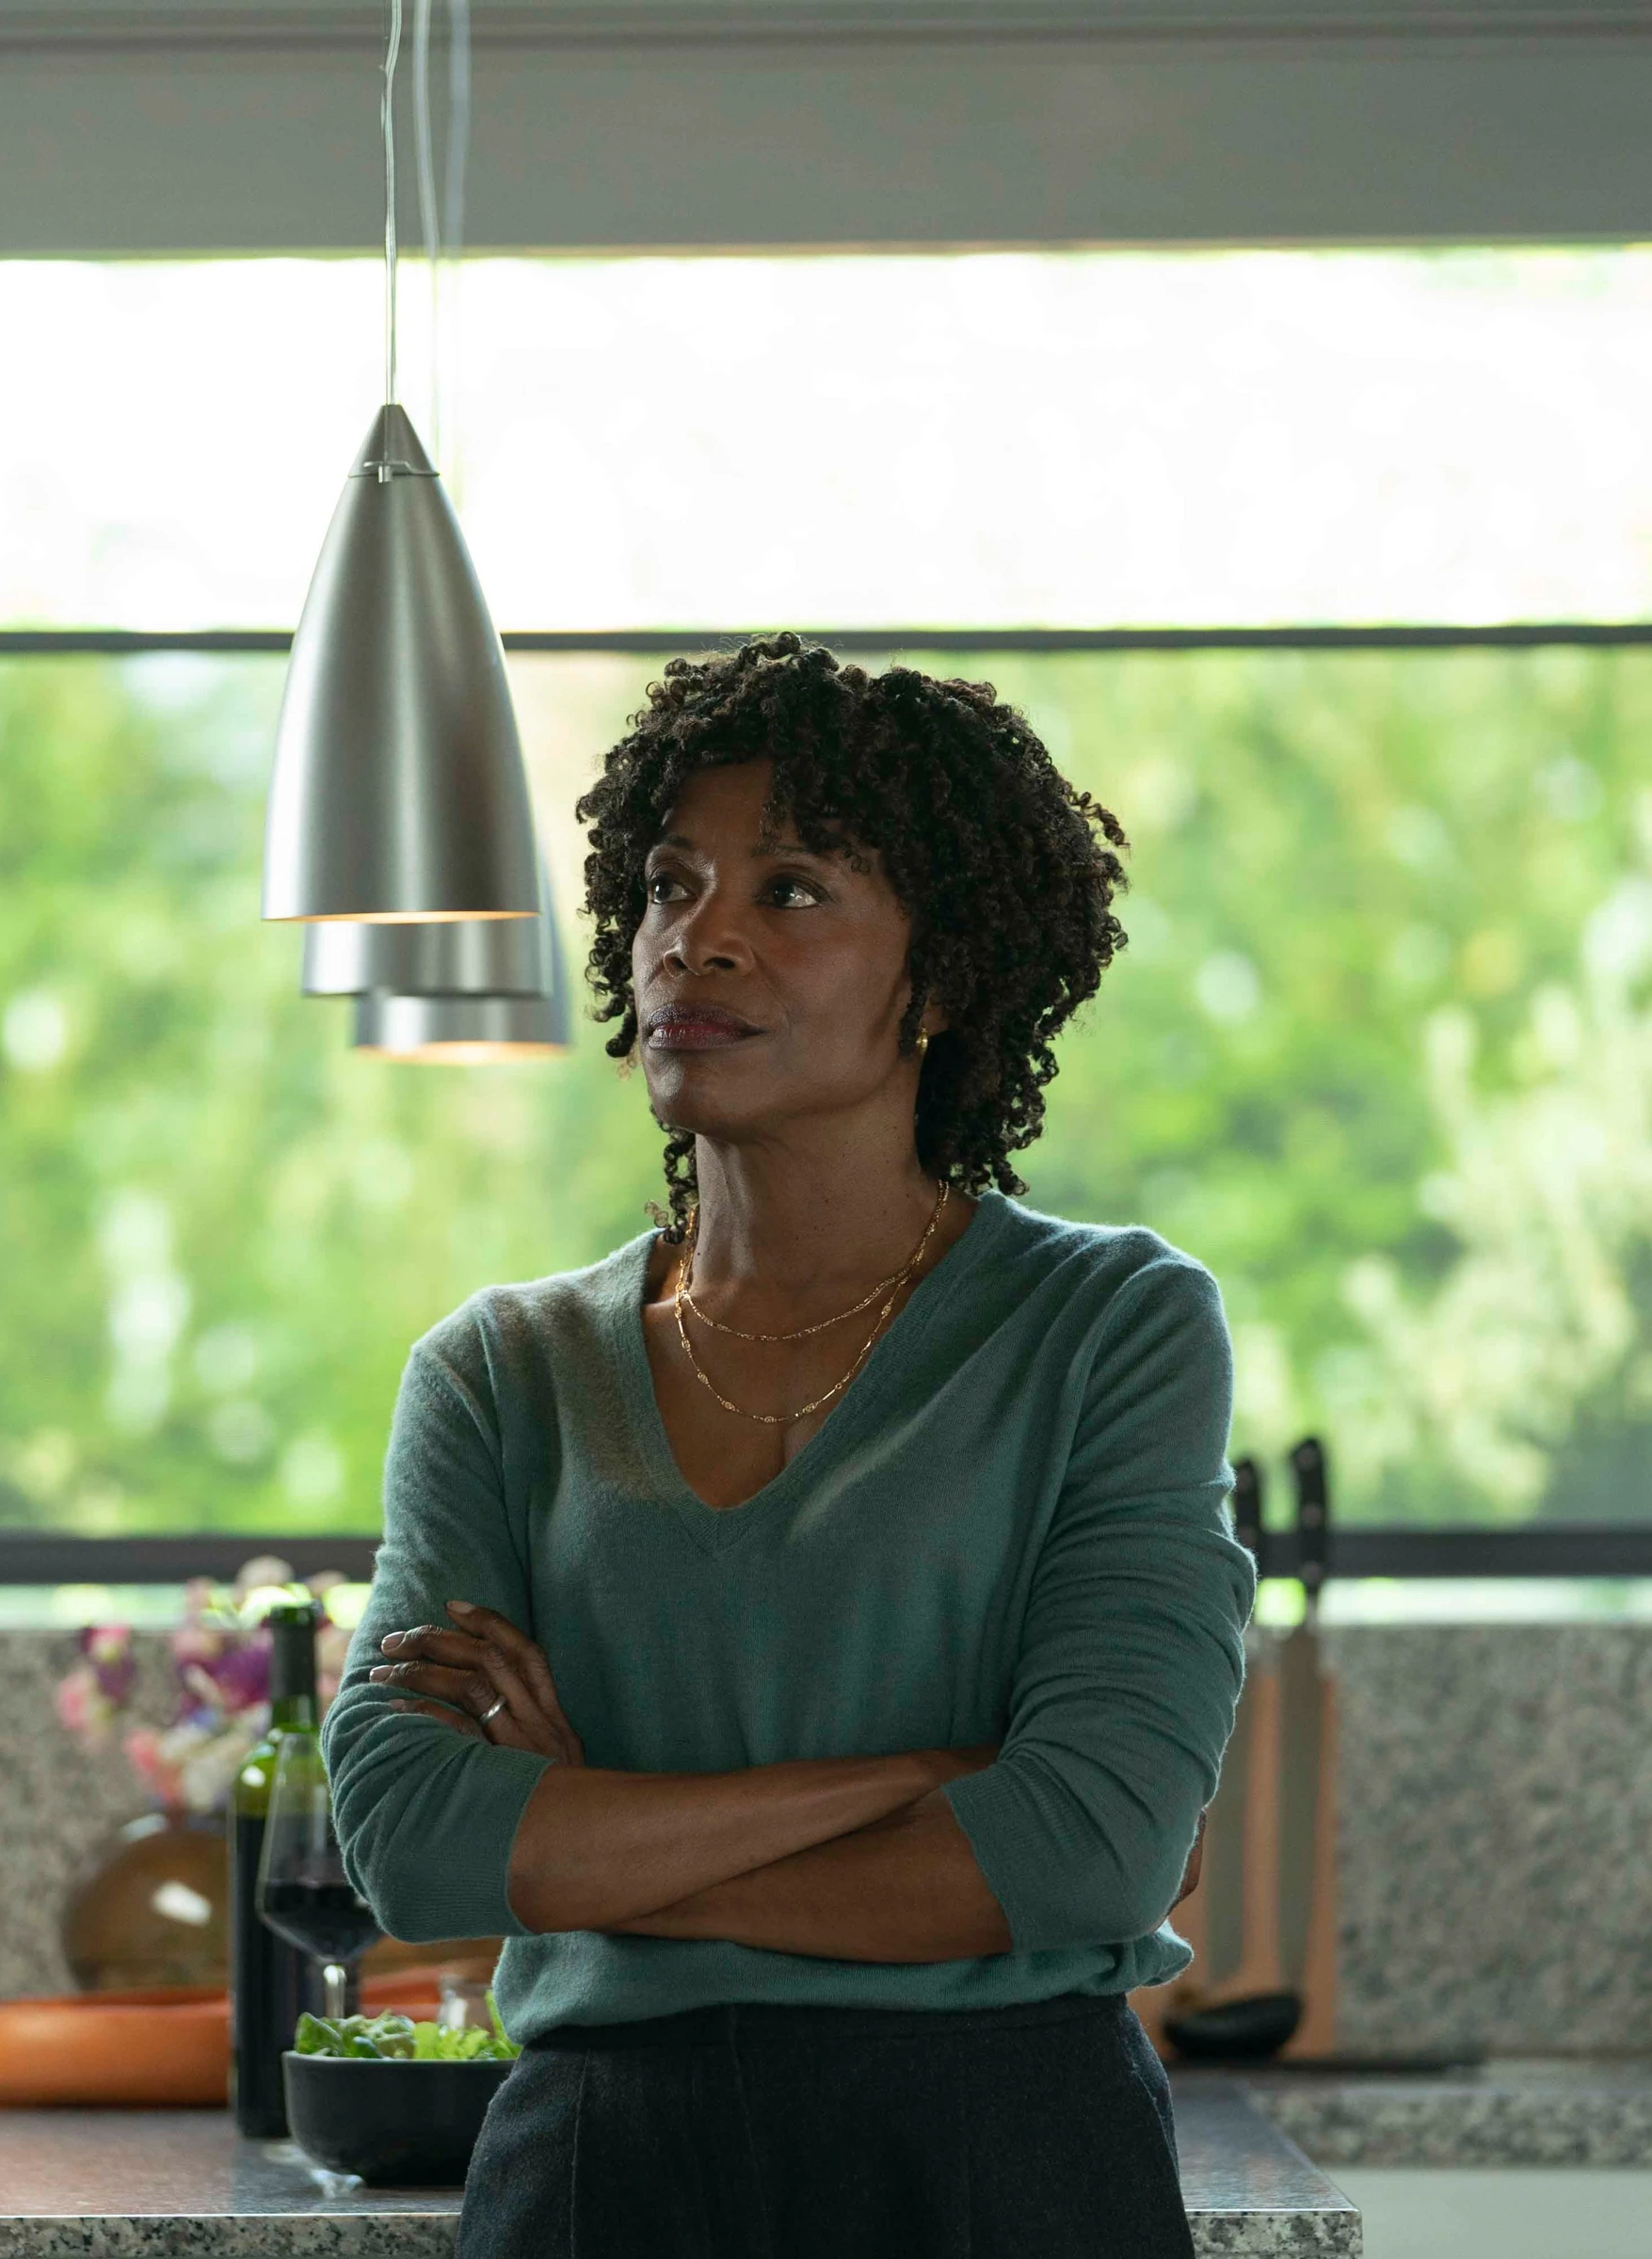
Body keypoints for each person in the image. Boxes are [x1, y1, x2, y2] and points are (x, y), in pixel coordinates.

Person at [326, 635, 1255, 2257]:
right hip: (597, 2178)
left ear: (944, 980)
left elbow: (1092, 1850)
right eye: (669, 886)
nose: (701, 938)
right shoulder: (502, 1373)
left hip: (1000, 2166)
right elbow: (415, 1842)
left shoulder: (1109, 1326)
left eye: (794, 889)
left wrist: (588, 1840)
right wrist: (913, 1782)